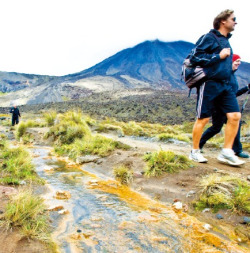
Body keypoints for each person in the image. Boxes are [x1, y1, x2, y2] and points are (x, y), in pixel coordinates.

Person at [188, 9, 245, 166]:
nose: (235, 22)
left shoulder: (226, 41)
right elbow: (194, 57)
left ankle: (227, 151)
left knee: (235, 116)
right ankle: (194, 151)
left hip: (225, 85)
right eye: (233, 19)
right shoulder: (209, 37)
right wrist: (218, 56)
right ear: (223, 21)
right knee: (204, 118)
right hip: (210, 84)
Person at [199, 54, 250, 158]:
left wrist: (246, 88)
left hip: (227, 108)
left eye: (240, 61)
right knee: (216, 128)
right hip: (218, 107)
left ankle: (236, 150)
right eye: (237, 60)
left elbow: (233, 94)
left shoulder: (233, 75)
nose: (239, 63)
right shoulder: (224, 74)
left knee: (236, 124)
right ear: (231, 61)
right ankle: (198, 145)